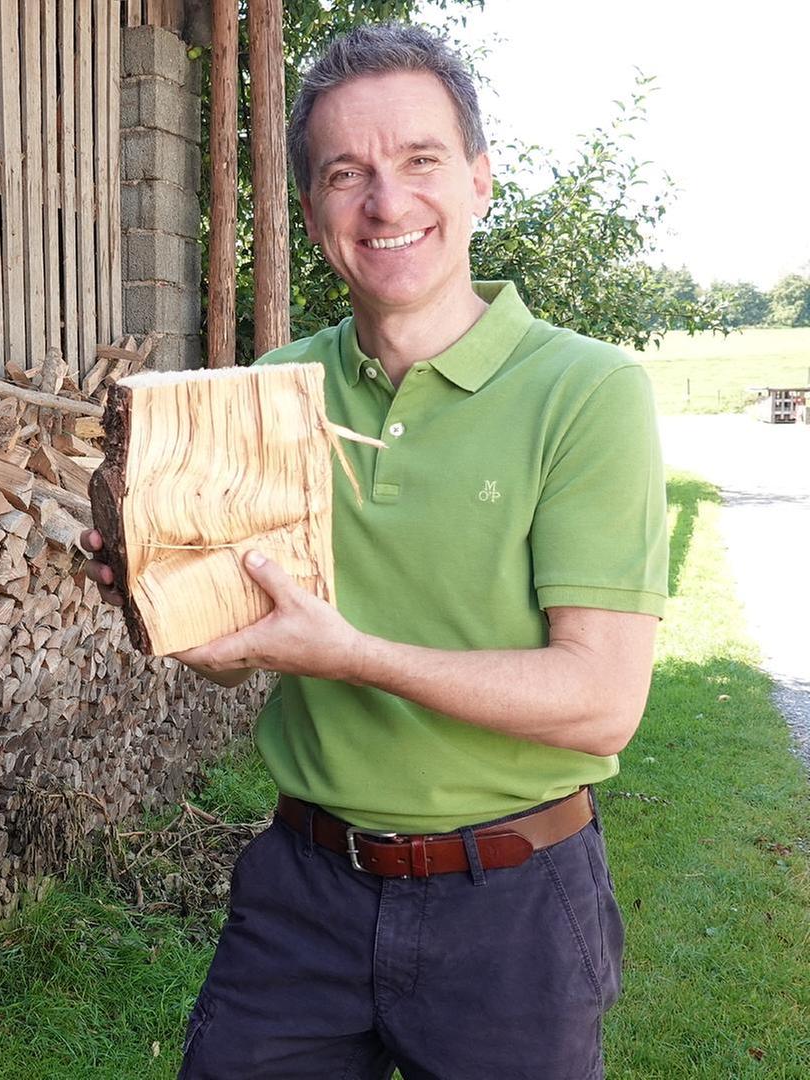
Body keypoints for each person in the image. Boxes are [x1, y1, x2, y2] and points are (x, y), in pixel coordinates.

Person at [82, 22, 667, 1079]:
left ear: (481, 182)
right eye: (347, 173)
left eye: (419, 162)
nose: (386, 204)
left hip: (516, 906)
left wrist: (356, 655)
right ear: (311, 215)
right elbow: (247, 645)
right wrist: (165, 598)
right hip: (306, 892)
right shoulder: (276, 390)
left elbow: (601, 697)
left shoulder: (587, 394)